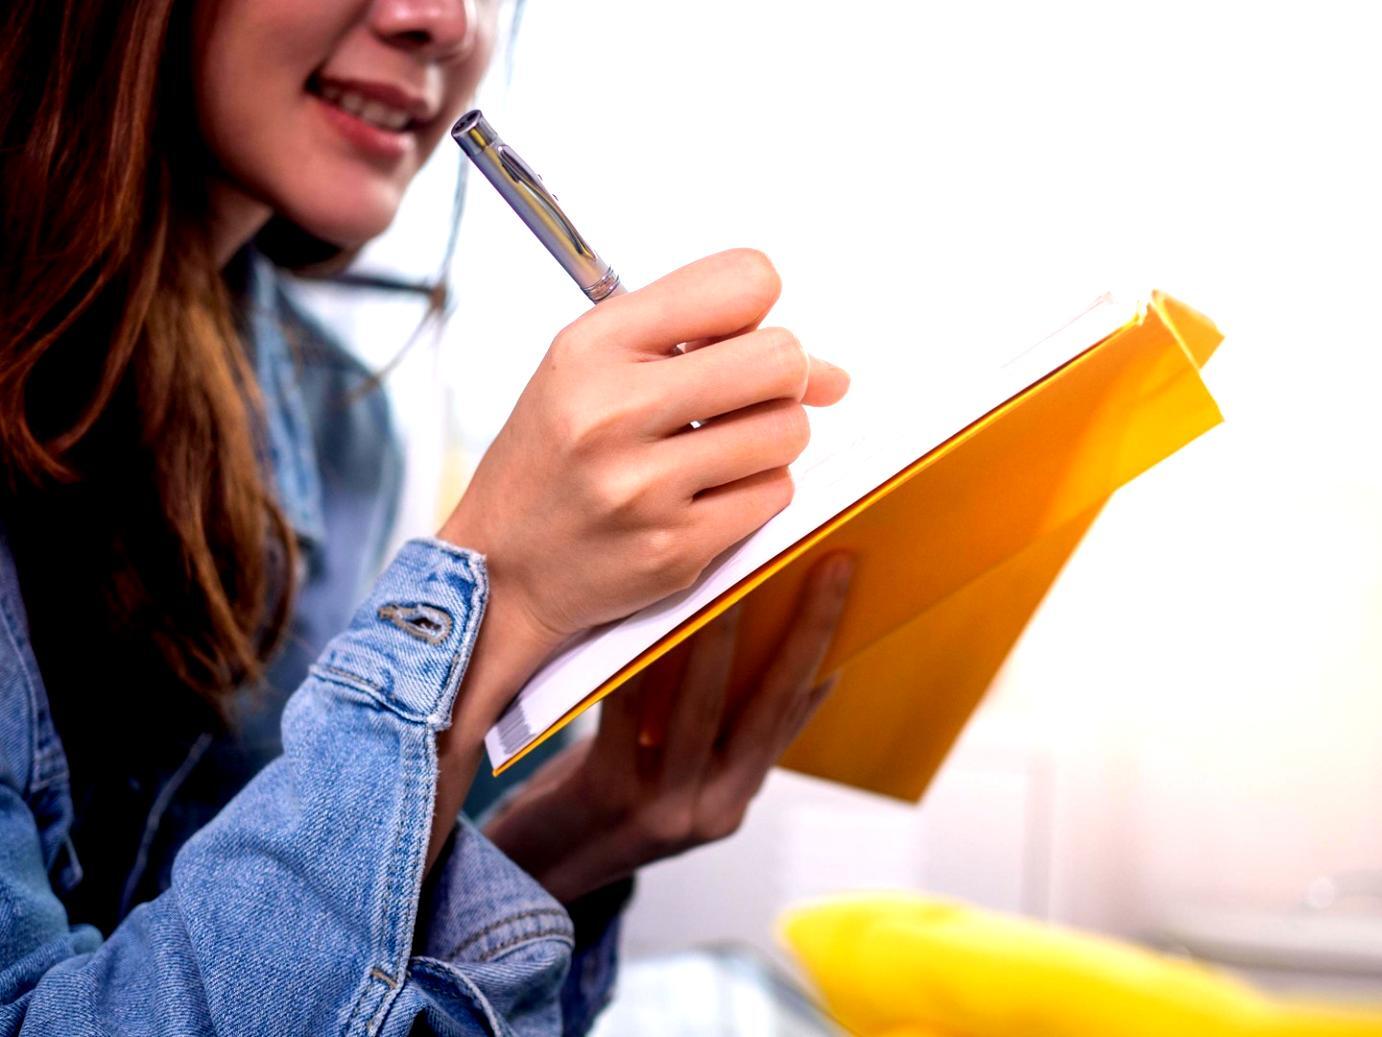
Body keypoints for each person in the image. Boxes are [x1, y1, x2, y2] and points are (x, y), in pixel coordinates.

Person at [0, 0, 856, 1034]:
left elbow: (250, 957)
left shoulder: (334, 420)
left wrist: (584, 827)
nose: (442, 21)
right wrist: (492, 603)